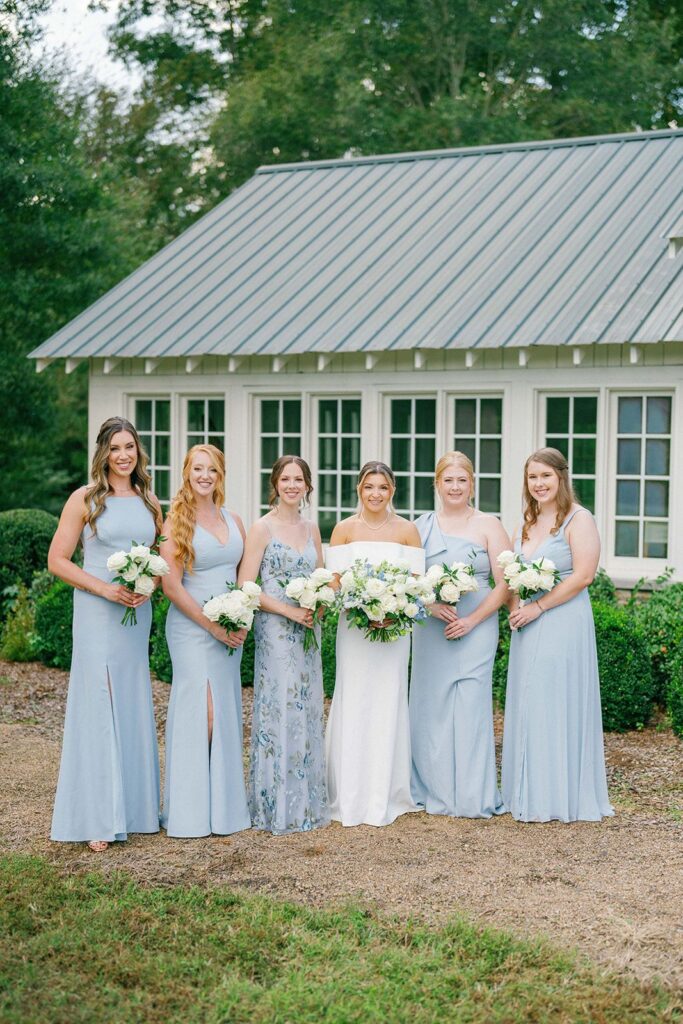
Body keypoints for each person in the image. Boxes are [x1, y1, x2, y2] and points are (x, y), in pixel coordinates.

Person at [49, 417, 162, 851]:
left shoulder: (150, 500)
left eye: (130, 446)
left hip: (136, 612)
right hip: (97, 609)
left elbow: (156, 555)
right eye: (115, 447)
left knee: (132, 698)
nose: (123, 455)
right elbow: (57, 560)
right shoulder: (85, 498)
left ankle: (135, 810)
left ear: (138, 452)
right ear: (103, 453)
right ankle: (98, 814)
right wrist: (104, 589)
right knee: (99, 700)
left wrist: (145, 584)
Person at [501, 447, 614, 823]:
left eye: (545, 476)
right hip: (528, 622)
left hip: (562, 620)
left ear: (561, 477)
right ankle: (527, 791)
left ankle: (558, 796)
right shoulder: (526, 523)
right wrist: (516, 605)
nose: (539, 484)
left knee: (553, 700)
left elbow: (583, 576)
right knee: (529, 701)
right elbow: (513, 573)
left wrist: (539, 607)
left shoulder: (579, 520)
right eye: (532, 477)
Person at [325, 461, 425, 827]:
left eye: (383, 487)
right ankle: (349, 792)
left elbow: (416, 584)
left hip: (395, 633)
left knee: (387, 698)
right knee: (354, 697)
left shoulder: (407, 531)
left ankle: (387, 791)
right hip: (354, 631)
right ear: (359, 489)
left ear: (392, 491)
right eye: (369, 486)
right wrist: (363, 609)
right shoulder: (344, 530)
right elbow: (334, 582)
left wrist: (393, 612)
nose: (376, 494)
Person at [410, 452, 509, 818]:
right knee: (430, 705)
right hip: (431, 628)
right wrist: (430, 607)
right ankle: (432, 788)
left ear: (472, 484)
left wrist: (473, 621)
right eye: (448, 480)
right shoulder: (419, 527)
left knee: (470, 706)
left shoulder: (489, 525)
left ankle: (471, 794)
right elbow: (407, 582)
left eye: (461, 480)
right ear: (437, 484)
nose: (455, 487)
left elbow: (506, 584)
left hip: (477, 627)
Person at [160, 445, 251, 838]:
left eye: (211, 469)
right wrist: (210, 626)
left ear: (221, 475)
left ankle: (225, 810)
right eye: (197, 469)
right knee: (203, 712)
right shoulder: (176, 520)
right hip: (191, 628)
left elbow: (246, 576)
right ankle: (190, 812)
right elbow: (170, 586)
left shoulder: (235, 520)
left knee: (225, 710)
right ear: (186, 473)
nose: (204, 476)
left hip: (230, 628)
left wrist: (243, 614)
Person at [238, 456, 329, 834]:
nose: (292, 485)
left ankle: (304, 803)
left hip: (308, 629)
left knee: (307, 706)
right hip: (275, 628)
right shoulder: (262, 528)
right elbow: (246, 585)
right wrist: (289, 613)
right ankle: (274, 805)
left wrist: (317, 604)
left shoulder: (312, 528)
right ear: (275, 484)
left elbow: (322, 576)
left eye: (299, 479)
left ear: (308, 485)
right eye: (285, 479)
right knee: (281, 706)